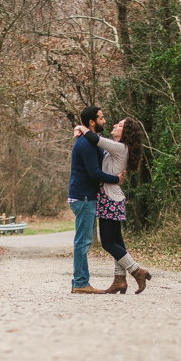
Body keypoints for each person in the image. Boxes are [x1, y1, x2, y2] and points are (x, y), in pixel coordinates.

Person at [74, 116, 152, 294]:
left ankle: (137, 271)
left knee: (108, 243)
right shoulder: (118, 148)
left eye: (121, 125)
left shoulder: (119, 147)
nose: (116, 125)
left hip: (111, 199)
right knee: (117, 242)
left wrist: (81, 127)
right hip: (112, 197)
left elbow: (95, 139)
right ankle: (119, 280)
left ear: (126, 132)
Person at [68, 106, 123, 294]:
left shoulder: (90, 142)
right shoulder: (87, 144)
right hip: (83, 197)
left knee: (82, 240)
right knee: (83, 241)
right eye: (101, 118)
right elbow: (94, 173)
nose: (105, 121)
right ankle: (81, 283)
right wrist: (116, 179)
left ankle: (81, 282)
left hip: (83, 196)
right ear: (92, 122)